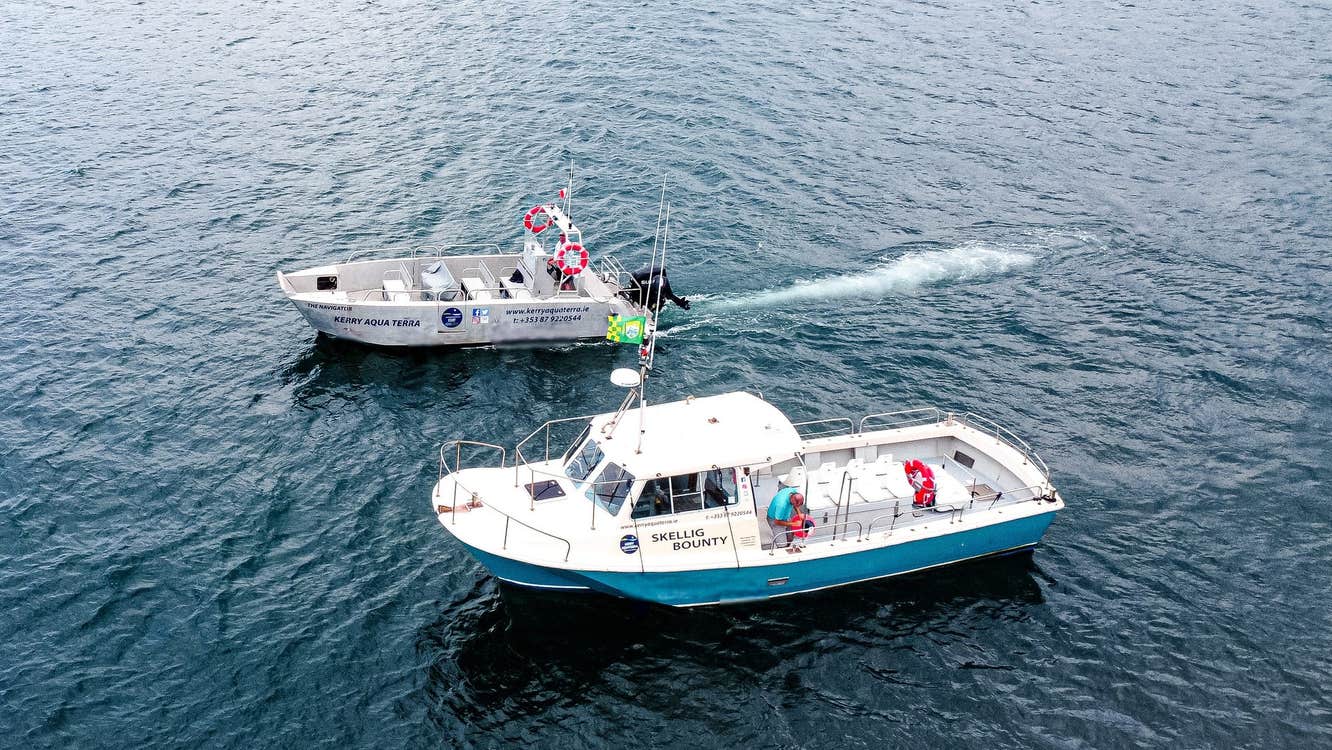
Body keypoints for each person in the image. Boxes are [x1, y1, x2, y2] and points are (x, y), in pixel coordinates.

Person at [767, 467, 810, 551]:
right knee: (782, 545)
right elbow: (777, 521)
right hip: (775, 519)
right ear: (791, 500)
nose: (795, 506)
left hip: (785, 516)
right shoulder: (781, 505)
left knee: (790, 537)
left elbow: (796, 505)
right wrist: (794, 524)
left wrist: (799, 513)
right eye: (794, 504)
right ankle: (782, 549)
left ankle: (788, 545)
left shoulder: (792, 491)